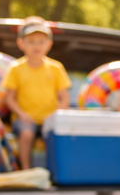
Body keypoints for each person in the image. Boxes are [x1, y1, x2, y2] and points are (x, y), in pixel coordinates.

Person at [4, 17, 71, 169]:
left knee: (59, 135)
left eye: (41, 42)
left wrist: (55, 116)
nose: (36, 46)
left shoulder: (56, 68)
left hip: (50, 118)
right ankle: (26, 170)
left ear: (49, 45)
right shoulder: (15, 68)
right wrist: (22, 115)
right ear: (21, 44)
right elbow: (10, 99)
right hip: (25, 118)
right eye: (31, 41)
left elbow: (64, 97)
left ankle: (57, 172)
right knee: (27, 134)